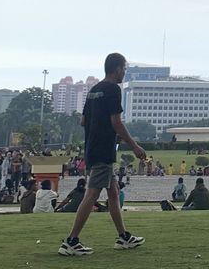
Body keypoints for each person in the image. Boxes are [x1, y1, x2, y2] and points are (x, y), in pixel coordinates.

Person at [59, 52, 148, 257]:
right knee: (92, 194)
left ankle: (124, 237)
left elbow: (83, 121)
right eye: (124, 69)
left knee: (113, 192)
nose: (124, 73)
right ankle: (71, 241)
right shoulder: (113, 90)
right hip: (103, 150)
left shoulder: (94, 90)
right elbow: (116, 122)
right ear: (117, 68)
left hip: (92, 148)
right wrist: (134, 146)